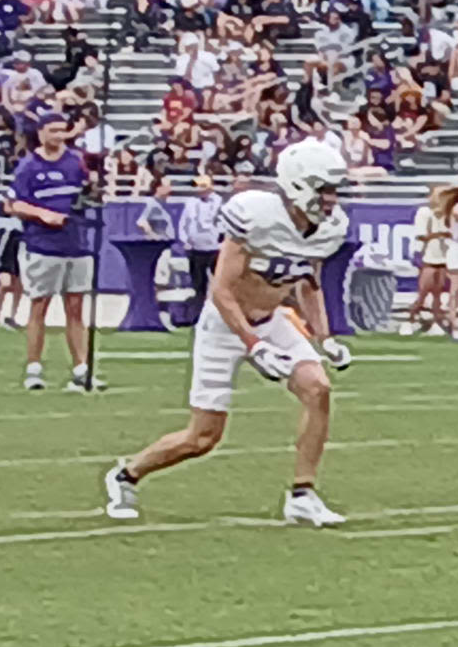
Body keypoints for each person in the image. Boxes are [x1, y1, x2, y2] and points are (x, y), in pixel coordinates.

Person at [105, 138, 353, 527]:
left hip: (272, 319)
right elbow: (220, 289)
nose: (331, 199)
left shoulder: (329, 227)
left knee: (318, 389)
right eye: (325, 189)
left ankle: (303, 494)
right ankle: (126, 474)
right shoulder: (254, 213)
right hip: (225, 323)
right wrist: (254, 346)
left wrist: (326, 337)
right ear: (300, 185)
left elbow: (308, 281)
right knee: (202, 438)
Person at [7, 109, 101, 392]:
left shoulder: (75, 161)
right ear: (41, 133)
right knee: (40, 306)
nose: (59, 136)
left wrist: (93, 188)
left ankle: (81, 367)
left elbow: (87, 192)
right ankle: (34, 368)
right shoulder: (29, 166)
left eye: (63, 131)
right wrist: (43, 215)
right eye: (54, 131)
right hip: (44, 244)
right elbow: (14, 204)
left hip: (77, 241)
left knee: (76, 307)